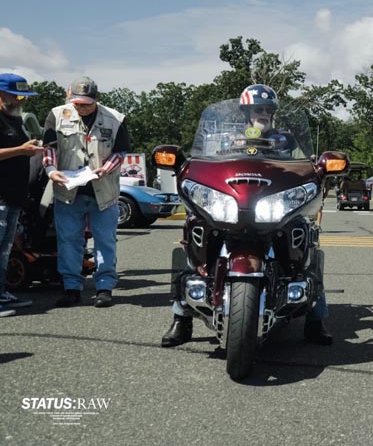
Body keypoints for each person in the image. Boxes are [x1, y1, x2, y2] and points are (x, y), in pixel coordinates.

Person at [161, 84, 333, 347]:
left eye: (266, 109)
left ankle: (316, 318)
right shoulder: (227, 138)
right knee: (195, 228)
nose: (261, 114)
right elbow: (209, 162)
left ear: (273, 112)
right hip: (233, 199)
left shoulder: (286, 139)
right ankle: (181, 318)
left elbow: (305, 164)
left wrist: (319, 168)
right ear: (246, 113)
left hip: (273, 201)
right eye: (256, 110)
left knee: (306, 237)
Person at [42, 77, 130, 308]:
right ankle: (71, 287)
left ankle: (104, 287)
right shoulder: (57, 114)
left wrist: (106, 168)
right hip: (68, 191)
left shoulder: (115, 119)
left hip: (104, 191)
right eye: (77, 103)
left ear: (96, 99)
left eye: (86, 104)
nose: (81, 108)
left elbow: (121, 152)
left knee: (105, 241)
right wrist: (51, 171)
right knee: (69, 240)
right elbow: (49, 149)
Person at [0, 73, 43, 317]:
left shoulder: (14, 118)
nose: (20, 101)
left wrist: (32, 148)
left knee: (5, 250)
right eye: (16, 96)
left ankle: (2, 292)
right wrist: (21, 150)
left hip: (14, 196)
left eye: (24, 97)